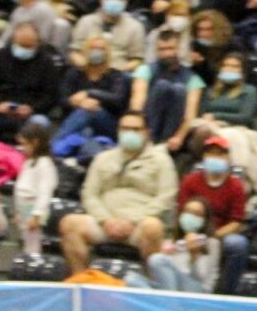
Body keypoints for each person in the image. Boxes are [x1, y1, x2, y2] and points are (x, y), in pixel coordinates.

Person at [60, 111, 176, 274]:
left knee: (154, 227)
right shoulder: (102, 158)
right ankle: (81, 281)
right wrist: (105, 220)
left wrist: (133, 220)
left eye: (136, 129)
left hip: (139, 225)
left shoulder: (161, 160)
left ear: (146, 133)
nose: (130, 133)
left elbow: (166, 196)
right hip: (105, 222)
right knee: (69, 223)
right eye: (125, 128)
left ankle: (152, 284)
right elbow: (89, 194)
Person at [176, 136, 249, 293]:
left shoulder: (236, 186)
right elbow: (182, 212)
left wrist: (212, 236)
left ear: (228, 158)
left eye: (220, 154)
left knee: (238, 244)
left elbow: (236, 221)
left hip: (220, 235)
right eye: (211, 154)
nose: (215, 157)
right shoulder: (190, 181)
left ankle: (225, 293)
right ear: (203, 157)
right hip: (191, 230)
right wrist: (192, 235)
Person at [0, 22, 63, 145]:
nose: (25, 49)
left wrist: (33, 108)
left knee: (41, 123)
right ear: (14, 41)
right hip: (1, 110)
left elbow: (51, 95)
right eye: (21, 45)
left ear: (37, 43)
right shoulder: (0, 56)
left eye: (29, 46)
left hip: (30, 113)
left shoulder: (46, 62)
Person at [55, 35, 130, 141]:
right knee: (85, 111)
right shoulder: (74, 73)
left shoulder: (116, 76)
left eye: (101, 49)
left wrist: (90, 93)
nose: (97, 52)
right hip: (76, 120)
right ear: (86, 51)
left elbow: (118, 99)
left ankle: (53, 145)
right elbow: (62, 99)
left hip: (106, 124)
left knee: (89, 111)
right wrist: (78, 103)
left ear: (107, 53)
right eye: (93, 48)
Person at [143, 196, 221, 293]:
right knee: (132, 279)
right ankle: (170, 300)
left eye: (196, 214)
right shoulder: (173, 241)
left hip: (198, 288)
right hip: (173, 286)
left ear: (205, 220)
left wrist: (193, 256)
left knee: (157, 259)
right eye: (187, 212)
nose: (190, 216)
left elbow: (201, 277)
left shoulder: (211, 242)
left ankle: (170, 302)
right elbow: (162, 276)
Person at [69, 0, 147, 72]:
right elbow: (75, 52)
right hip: (87, 71)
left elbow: (137, 59)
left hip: (119, 72)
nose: (115, 1)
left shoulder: (135, 27)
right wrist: (86, 67)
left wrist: (117, 71)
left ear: (126, 2)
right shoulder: (86, 21)